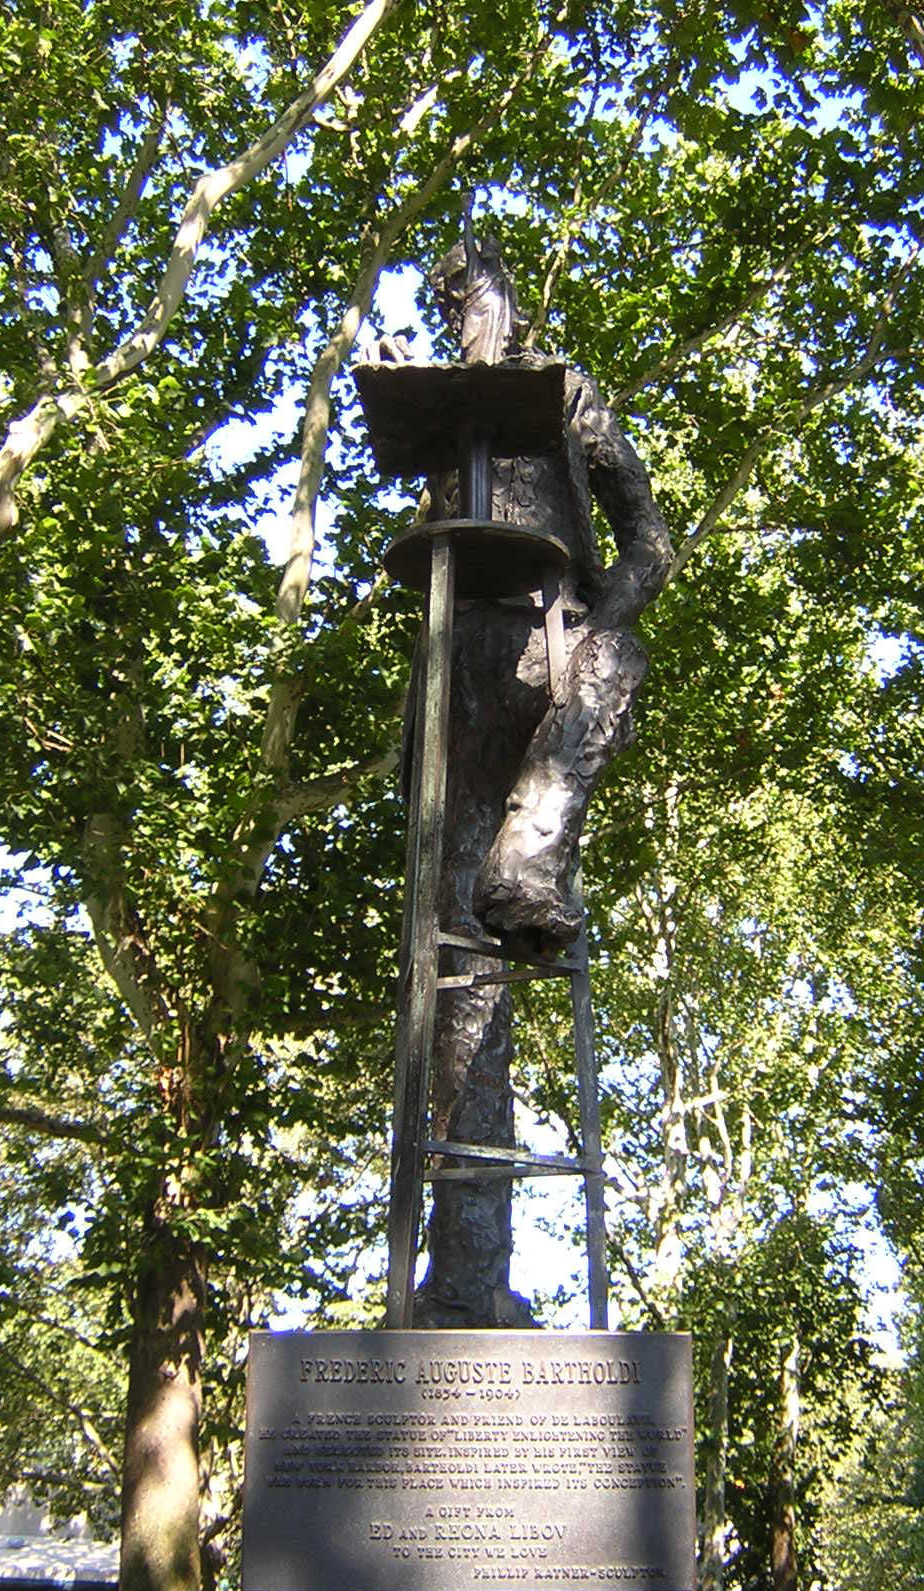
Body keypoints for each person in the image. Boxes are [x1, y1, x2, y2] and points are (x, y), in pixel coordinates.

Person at [381, 228, 672, 1326]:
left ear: (511, 295)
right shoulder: (443, 408)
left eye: (479, 290)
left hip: (555, 665)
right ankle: (464, 1277)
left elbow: (650, 541)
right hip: (455, 681)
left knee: (620, 660)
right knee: (466, 989)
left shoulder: (569, 395)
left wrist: (600, 613)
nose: (469, 312)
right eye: (452, 297)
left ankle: (532, 848)